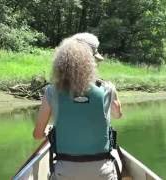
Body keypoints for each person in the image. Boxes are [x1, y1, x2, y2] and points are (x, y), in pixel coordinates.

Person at [33, 32, 123, 180]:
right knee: (119, 161)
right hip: (103, 173)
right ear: (91, 63)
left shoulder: (51, 91)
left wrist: (49, 133)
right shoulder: (107, 88)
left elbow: (37, 135)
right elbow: (117, 115)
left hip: (65, 173)